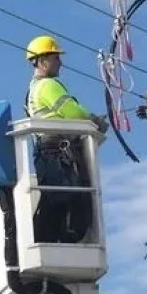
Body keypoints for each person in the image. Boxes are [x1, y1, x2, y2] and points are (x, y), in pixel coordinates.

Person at [23, 34, 108, 244]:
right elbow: (72, 113)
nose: (60, 63)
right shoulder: (48, 85)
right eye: (55, 58)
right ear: (42, 61)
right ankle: (54, 240)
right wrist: (94, 120)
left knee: (57, 199)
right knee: (63, 197)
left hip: (47, 153)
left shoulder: (33, 89)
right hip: (56, 154)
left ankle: (51, 239)